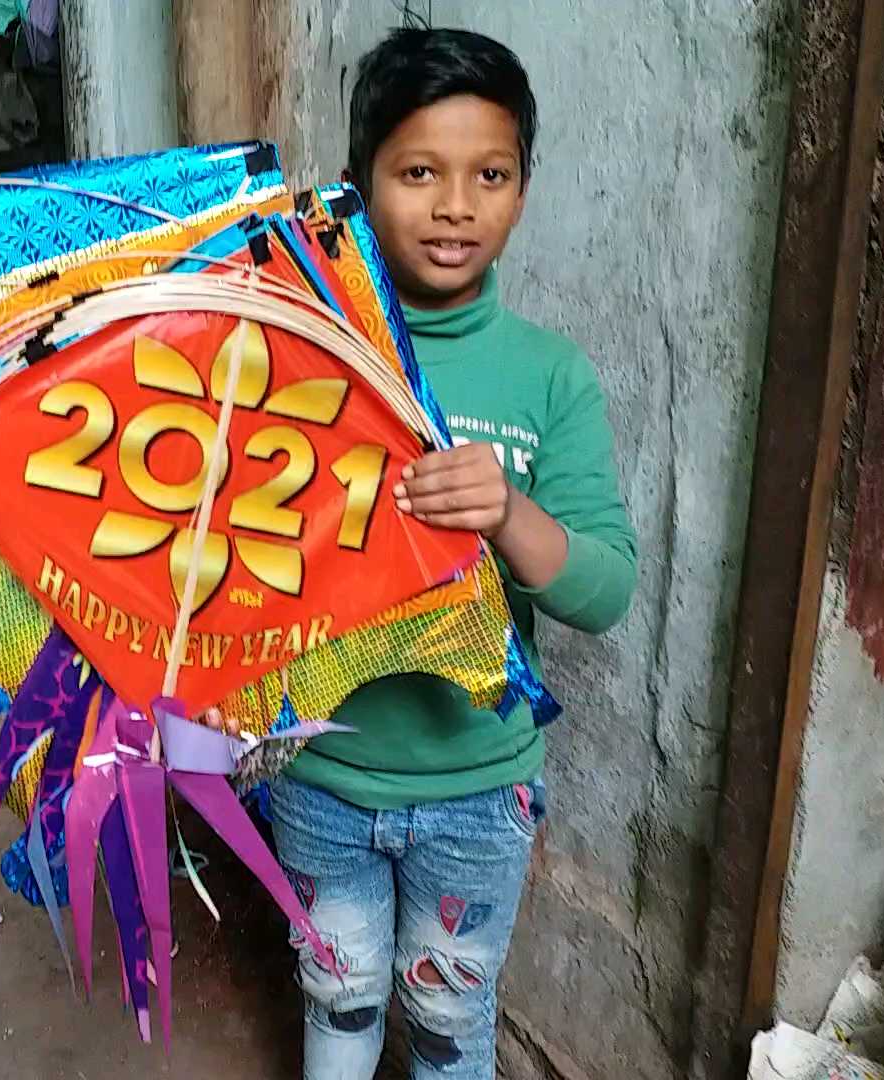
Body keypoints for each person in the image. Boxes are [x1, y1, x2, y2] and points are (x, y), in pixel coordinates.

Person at [211, 28, 638, 1080]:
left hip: (480, 793)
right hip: (320, 770)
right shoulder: (301, 356)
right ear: (360, 188)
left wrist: (506, 510)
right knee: (337, 1005)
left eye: (489, 175)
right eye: (418, 173)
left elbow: (606, 590)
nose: (456, 205)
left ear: (522, 191)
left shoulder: (551, 379)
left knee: (449, 1028)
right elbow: (230, 551)